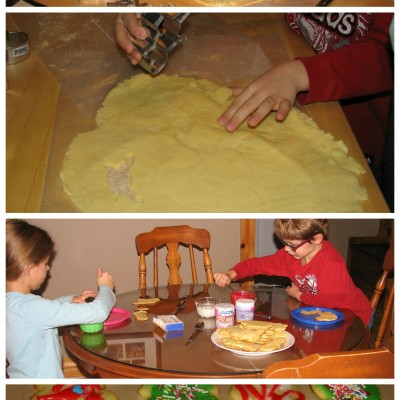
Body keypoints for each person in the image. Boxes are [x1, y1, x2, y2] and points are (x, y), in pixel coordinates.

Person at [6, 219, 116, 379]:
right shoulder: (31, 308)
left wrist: (69, 300)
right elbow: (99, 312)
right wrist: (106, 288)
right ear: (28, 268)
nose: (48, 268)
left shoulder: (13, 304)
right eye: (45, 263)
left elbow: (44, 310)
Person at [214, 219, 373, 327]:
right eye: (285, 243)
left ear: (316, 239)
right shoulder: (291, 256)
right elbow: (257, 264)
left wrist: (298, 295)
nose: (286, 249)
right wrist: (231, 274)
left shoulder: (331, 263)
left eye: (292, 244)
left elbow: (326, 303)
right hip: (320, 315)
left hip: (353, 317)